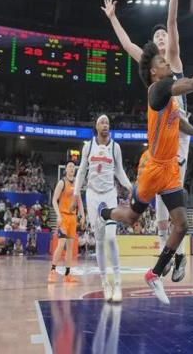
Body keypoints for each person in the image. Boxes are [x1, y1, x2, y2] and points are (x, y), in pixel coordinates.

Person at [101, 0, 193, 282]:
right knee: (162, 203)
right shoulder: (153, 69)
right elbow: (127, 44)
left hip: (179, 133)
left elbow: (172, 21)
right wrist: (113, 18)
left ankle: (171, 256)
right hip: (161, 135)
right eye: (158, 37)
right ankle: (173, 256)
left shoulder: (174, 60)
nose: (163, 38)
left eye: (165, 36)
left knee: (169, 201)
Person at [99, 24, 193, 304]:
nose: (167, 64)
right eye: (162, 62)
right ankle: (105, 212)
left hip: (170, 168)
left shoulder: (169, 96)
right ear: (154, 71)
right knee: (131, 218)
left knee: (182, 225)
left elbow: (180, 122)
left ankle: (154, 274)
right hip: (153, 169)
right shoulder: (158, 90)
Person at [74, 115, 133, 302]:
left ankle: (118, 283)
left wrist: (130, 186)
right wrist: (76, 193)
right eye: (102, 122)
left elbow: (119, 171)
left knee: (111, 238)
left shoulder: (115, 147)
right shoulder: (88, 146)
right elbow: (81, 170)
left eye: (107, 122)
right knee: (99, 241)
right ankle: (104, 283)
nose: (105, 125)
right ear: (96, 126)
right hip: (92, 195)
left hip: (109, 195)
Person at [48, 161, 85, 283]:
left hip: (72, 218)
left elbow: (79, 201)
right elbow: (54, 200)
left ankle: (67, 274)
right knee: (61, 244)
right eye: (69, 166)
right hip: (63, 217)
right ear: (65, 169)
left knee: (70, 247)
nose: (72, 168)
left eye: (73, 167)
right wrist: (58, 215)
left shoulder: (77, 184)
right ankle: (52, 271)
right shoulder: (62, 182)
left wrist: (83, 215)